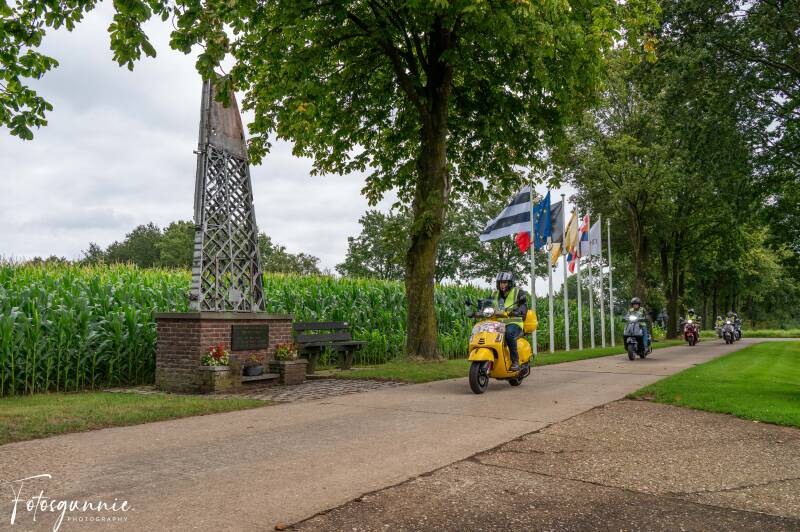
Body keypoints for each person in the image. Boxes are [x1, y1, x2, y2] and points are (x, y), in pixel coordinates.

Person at [490, 272, 529, 372]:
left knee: (509, 333)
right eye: (500, 283)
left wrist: (518, 311)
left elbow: (523, 306)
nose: (502, 285)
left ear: (510, 283)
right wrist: (479, 310)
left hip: (514, 323)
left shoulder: (518, 292)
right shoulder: (494, 294)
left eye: (504, 282)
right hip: (498, 324)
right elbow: (487, 305)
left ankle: (515, 361)